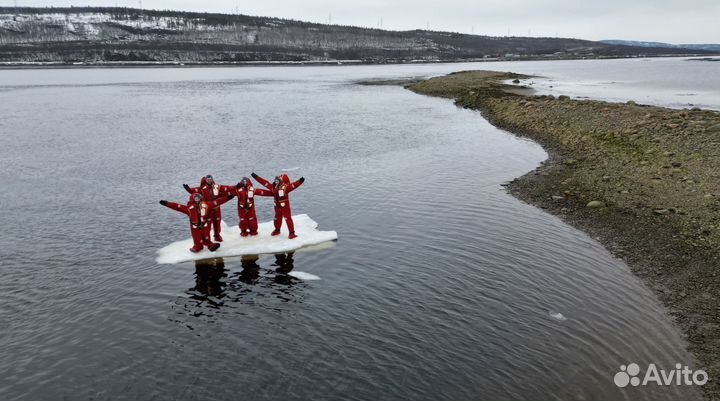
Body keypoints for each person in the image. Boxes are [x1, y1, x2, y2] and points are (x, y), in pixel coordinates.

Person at [159, 192, 232, 253]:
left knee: (206, 236)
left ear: (201, 198)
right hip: (195, 226)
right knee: (197, 238)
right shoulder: (189, 209)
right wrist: (167, 204)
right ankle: (198, 246)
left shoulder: (207, 205)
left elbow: (217, 202)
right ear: (193, 199)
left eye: (198, 198)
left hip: (204, 225)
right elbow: (178, 207)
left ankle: (211, 245)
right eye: (195, 198)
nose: (197, 200)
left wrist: (228, 198)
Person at [251, 172, 305, 239]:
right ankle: (277, 230)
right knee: (277, 219)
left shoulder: (286, 188)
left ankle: (292, 233)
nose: (275, 182)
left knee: (287, 219)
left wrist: (300, 181)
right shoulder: (273, 188)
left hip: (285, 207)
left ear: (281, 181)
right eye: (275, 180)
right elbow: (264, 183)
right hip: (277, 207)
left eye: (277, 181)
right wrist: (256, 177)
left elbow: (293, 185)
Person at [183, 175, 234, 242]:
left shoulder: (216, 188)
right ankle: (207, 239)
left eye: (210, 179)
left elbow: (226, 190)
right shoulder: (202, 189)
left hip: (216, 208)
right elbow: (193, 191)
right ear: (205, 181)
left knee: (217, 223)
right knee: (207, 224)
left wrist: (230, 194)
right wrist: (188, 189)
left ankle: (217, 236)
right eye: (208, 180)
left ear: (212, 180)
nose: (209, 181)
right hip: (207, 209)